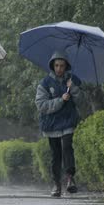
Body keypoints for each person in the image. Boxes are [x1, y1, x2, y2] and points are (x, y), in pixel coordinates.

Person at [35, 51, 82, 197]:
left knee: (67, 147)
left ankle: (70, 178)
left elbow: (81, 100)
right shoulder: (45, 84)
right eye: (56, 65)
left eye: (62, 65)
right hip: (51, 124)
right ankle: (56, 184)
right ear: (52, 66)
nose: (59, 68)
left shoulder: (73, 80)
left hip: (68, 120)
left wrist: (73, 88)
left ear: (66, 66)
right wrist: (61, 100)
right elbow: (41, 105)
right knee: (56, 154)